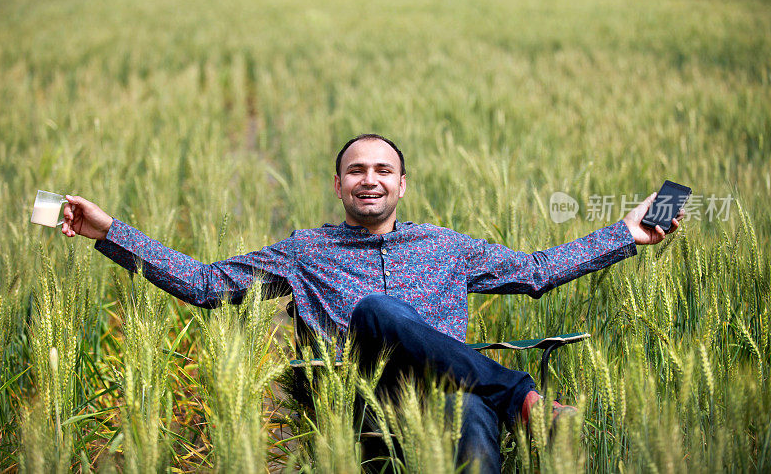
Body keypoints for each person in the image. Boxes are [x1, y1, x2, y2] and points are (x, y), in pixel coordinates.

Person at [61, 133, 682, 473]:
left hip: (448, 396)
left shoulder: (445, 246)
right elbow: (204, 285)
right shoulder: (305, 251)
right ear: (338, 185)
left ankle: (498, 401)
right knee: (374, 312)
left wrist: (627, 233)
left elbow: (536, 272)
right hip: (359, 400)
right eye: (356, 170)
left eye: (383, 169)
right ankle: (521, 396)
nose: (370, 179)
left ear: (402, 184)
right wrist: (109, 231)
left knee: (467, 417)